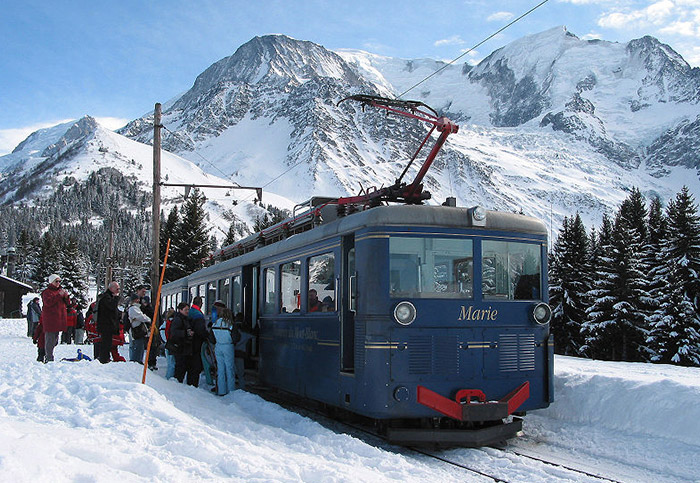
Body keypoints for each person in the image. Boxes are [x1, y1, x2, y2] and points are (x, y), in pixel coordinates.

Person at [41, 274, 71, 362]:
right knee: (50, 340)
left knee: (55, 340)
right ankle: (48, 357)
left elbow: (68, 304)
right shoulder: (47, 292)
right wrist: (59, 295)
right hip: (51, 320)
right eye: (56, 281)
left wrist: (66, 296)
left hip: (59, 319)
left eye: (59, 281)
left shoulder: (61, 291)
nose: (58, 283)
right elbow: (48, 303)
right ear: (51, 282)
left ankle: (48, 355)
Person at [211, 306, 238, 396]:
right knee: (229, 369)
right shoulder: (230, 325)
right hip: (228, 347)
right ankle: (231, 391)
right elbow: (236, 337)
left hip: (218, 346)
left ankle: (221, 391)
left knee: (221, 369)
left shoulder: (215, 324)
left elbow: (211, 338)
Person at [96, 281, 121, 364]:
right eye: (117, 289)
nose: (118, 291)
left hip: (108, 324)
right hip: (106, 325)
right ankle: (104, 358)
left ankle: (105, 357)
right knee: (106, 343)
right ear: (111, 288)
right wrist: (116, 298)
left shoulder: (109, 297)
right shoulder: (106, 298)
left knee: (108, 343)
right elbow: (111, 307)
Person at [170, 302, 194, 384]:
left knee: (183, 366)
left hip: (184, 346)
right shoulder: (178, 319)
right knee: (180, 367)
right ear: (180, 310)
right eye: (185, 310)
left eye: (188, 309)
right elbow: (174, 332)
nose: (187, 311)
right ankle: (177, 384)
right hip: (180, 346)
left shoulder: (185, 318)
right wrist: (186, 333)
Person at [127, 293, 150, 363]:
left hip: (137, 331)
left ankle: (137, 361)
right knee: (138, 348)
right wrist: (148, 319)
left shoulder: (133, 308)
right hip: (137, 331)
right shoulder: (133, 308)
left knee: (139, 347)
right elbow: (141, 317)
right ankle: (136, 362)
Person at [160, 308, 176, 379]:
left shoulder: (165, 324)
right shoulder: (171, 323)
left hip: (167, 344)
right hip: (170, 344)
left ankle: (169, 376)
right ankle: (170, 377)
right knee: (172, 363)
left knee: (170, 362)